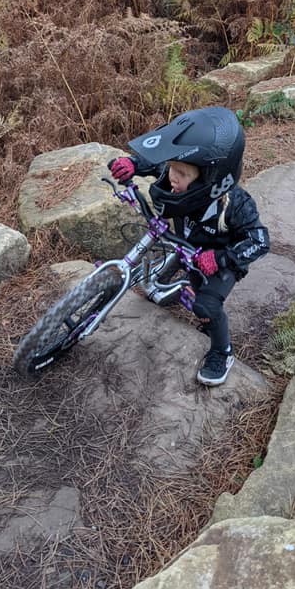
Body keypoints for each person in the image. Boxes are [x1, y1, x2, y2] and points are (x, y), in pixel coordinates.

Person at [108, 106, 270, 387]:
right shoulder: (183, 174)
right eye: (173, 168)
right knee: (162, 275)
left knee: (205, 305)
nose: (172, 177)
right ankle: (168, 286)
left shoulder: (236, 204)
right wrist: (133, 164)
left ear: (210, 178)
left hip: (219, 260)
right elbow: (157, 164)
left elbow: (260, 241)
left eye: (181, 173)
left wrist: (221, 258)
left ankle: (222, 351)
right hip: (185, 244)